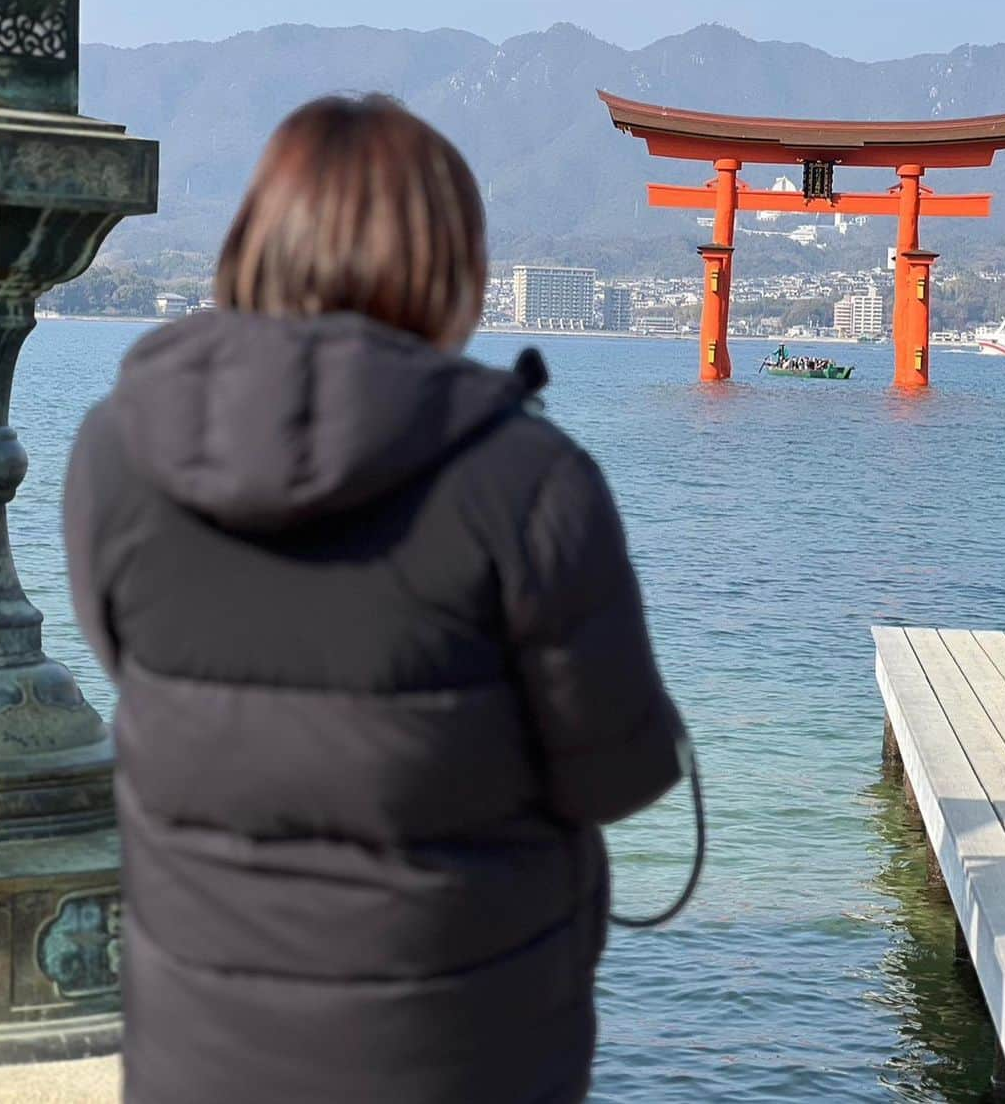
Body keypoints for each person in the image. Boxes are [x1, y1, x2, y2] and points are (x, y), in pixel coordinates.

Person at [64, 95, 683, 1104]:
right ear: (457, 269)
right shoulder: (528, 480)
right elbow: (615, 777)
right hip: (466, 1055)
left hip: (200, 1058)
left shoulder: (116, 453)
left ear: (255, 247)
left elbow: (129, 665)